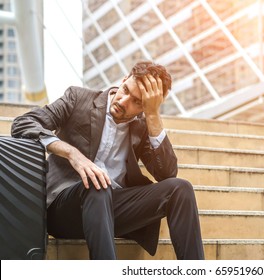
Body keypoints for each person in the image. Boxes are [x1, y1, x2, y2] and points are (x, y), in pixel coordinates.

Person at [11, 61, 204, 260]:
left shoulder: (143, 125)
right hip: (66, 208)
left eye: (137, 102)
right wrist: (72, 154)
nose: (124, 100)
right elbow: (23, 123)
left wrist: (153, 114)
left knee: (181, 189)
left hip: (113, 210)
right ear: (123, 80)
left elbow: (166, 174)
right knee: (97, 182)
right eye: (126, 89)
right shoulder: (79, 98)